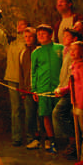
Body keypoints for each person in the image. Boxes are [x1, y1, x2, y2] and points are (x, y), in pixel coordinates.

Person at [31, 24, 63, 153]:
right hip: (43, 87)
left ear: (51, 35)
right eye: (38, 34)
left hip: (59, 87)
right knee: (46, 115)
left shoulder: (60, 48)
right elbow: (33, 72)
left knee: (61, 114)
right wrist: (34, 89)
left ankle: (68, 140)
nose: (41, 36)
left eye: (43, 33)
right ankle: (52, 140)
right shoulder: (36, 52)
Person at [52, 28, 80, 159]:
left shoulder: (74, 53)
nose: (64, 38)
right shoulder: (65, 51)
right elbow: (64, 72)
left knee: (58, 113)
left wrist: (65, 89)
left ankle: (74, 139)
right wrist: (60, 86)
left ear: (75, 39)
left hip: (72, 91)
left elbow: (72, 75)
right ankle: (73, 140)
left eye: (67, 36)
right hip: (65, 88)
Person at [5, 20, 30, 146]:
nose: (19, 26)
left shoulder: (29, 41)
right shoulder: (11, 42)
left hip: (26, 80)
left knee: (29, 109)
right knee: (16, 109)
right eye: (18, 24)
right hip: (12, 78)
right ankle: (17, 137)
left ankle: (31, 137)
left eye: (22, 24)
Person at [20, 27, 40, 149]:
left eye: (30, 36)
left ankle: (46, 138)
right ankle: (31, 138)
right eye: (26, 36)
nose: (28, 39)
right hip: (28, 89)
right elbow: (21, 72)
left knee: (42, 115)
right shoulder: (23, 53)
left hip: (40, 88)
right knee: (30, 115)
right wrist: (22, 89)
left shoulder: (39, 50)